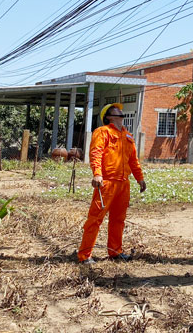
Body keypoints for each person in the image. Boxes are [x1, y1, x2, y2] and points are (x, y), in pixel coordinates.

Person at [77, 103, 146, 264]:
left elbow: (133, 160)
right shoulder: (102, 132)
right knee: (95, 219)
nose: (120, 111)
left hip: (123, 184)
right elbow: (96, 153)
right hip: (106, 183)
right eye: (116, 110)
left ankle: (115, 252)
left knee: (118, 220)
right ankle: (85, 255)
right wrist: (97, 174)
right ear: (108, 116)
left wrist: (140, 178)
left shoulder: (128, 136)